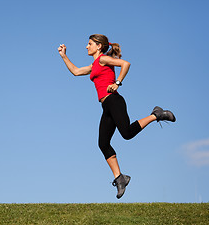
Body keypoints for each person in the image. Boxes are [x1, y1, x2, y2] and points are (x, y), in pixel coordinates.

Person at [57, 34, 176, 199]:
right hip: (106, 106)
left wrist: (117, 82)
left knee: (126, 133)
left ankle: (156, 115)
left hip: (114, 101)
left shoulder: (103, 60)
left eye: (89, 44)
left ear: (99, 46)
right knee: (103, 143)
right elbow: (76, 72)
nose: (86, 46)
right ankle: (120, 178)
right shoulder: (94, 65)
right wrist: (64, 56)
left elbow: (125, 64)